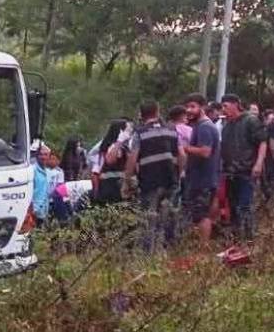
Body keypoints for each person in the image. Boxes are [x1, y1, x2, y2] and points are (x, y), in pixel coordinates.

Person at [125, 101, 182, 251]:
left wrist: (127, 181)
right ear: (157, 112)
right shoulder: (171, 130)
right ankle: (170, 249)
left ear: (141, 114)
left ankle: (147, 253)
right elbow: (182, 155)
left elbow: (132, 158)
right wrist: (179, 174)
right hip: (171, 180)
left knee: (149, 217)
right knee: (170, 215)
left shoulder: (140, 133)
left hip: (150, 182)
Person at [219, 95, 267, 241]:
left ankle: (248, 239)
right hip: (231, 172)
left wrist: (259, 163)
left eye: (226, 106)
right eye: (222, 106)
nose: (223, 109)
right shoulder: (226, 127)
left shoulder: (250, 120)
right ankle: (237, 241)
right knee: (233, 207)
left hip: (247, 171)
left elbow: (263, 142)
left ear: (236, 105)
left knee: (244, 206)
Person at [182, 93, 220, 242]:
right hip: (200, 178)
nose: (189, 110)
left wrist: (185, 147)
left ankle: (202, 251)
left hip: (203, 180)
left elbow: (205, 152)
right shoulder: (200, 126)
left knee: (202, 215)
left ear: (202, 108)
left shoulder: (204, 127)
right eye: (187, 107)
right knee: (198, 214)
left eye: (193, 106)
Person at [94, 119, 133, 205]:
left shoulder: (125, 146)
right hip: (112, 187)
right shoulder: (113, 147)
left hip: (117, 186)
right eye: (128, 128)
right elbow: (110, 160)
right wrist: (119, 141)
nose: (130, 130)